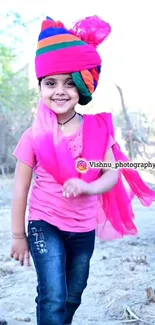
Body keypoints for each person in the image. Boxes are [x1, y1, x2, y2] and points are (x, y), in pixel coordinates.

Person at [10, 16, 155, 325]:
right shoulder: (34, 135)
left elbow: (112, 174)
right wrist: (18, 236)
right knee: (52, 295)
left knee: (74, 293)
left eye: (68, 82)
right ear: (40, 87)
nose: (59, 91)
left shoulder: (97, 129)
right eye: (50, 83)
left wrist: (88, 187)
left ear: (82, 86)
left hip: (83, 228)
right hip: (43, 223)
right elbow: (20, 190)